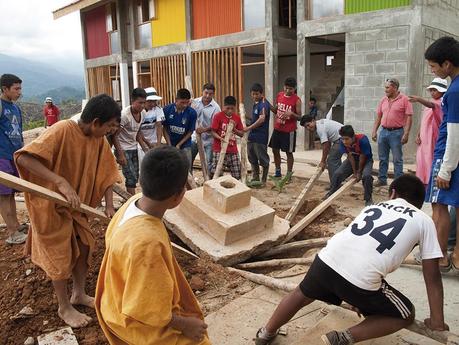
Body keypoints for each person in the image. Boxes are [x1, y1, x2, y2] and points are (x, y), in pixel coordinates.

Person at [255, 174, 447, 345]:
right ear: (420, 204)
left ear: (393, 193)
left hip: (325, 260)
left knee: (301, 294)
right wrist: (436, 321)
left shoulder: (374, 207)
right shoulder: (424, 220)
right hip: (360, 279)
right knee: (406, 314)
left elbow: (358, 248)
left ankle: (265, 333)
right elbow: (432, 275)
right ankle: (343, 338)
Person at [15, 94, 121, 328]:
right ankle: (64, 307)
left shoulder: (99, 141)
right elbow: (24, 159)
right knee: (59, 255)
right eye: (109, 126)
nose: (111, 131)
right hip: (51, 206)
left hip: (77, 207)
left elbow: (108, 173)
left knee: (84, 247)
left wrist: (110, 205)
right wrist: (60, 182)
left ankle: (79, 294)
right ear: (95, 122)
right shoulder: (62, 129)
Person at [95, 146, 210, 345]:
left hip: (114, 301)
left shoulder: (133, 201)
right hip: (133, 322)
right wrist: (185, 324)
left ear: (142, 180)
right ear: (178, 196)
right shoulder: (147, 243)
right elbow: (146, 310)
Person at [424, 36, 459, 271]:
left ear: (447, 64)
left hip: (447, 155)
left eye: (434, 67)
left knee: (439, 206)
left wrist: (445, 169)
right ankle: (457, 256)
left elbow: (455, 131)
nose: (434, 72)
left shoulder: (453, 92)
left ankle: (440, 258)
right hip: (453, 155)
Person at [0, 73, 27, 245]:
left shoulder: (15, 108)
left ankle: (15, 225)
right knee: (3, 195)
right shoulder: (1, 106)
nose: (19, 92)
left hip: (13, 156)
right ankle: (12, 232)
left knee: (10, 194)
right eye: (16, 89)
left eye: (20, 88)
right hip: (1, 156)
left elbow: (20, 133)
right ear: (5, 89)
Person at [372, 78, 413, 186]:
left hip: (397, 133)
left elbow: (409, 117)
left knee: (397, 159)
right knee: (383, 158)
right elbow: (379, 116)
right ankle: (382, 179)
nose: (385, 90)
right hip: (383, 132)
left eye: (387, 87)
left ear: (394, 87)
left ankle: (398, 183)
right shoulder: (383, 100)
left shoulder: (404, 99)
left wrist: (406, 133)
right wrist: (374, 131)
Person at [409, 78, 447, 186]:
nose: (433, 92)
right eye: (431, 90)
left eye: (435, 90)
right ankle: (422, 182)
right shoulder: (429, 104)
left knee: (429, 159)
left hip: (433, 137)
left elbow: (432, 105)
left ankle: (430, 183)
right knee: (421, 160)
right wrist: (418, 134)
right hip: (424, 138)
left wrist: (419, 99)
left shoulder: (441, 103)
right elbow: (424, 120)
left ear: (442, 91)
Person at [326, 125, 373, 206]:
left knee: (367, 176)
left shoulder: (363, 140)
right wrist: (354, 172)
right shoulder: (342, 142)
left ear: (353, 137)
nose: (344, 141)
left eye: (346, 139)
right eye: (342, 139)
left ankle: (368, 199)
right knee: (337, 174)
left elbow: (363, 156)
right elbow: (350, 156)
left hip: (366, 160)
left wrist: (359, 172)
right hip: (352, 160)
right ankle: (332, 192)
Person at [112, 88, 147, 195]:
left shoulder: (143, 113)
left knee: (136, 175)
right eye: (140, 103)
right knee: (130, 176)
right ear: (133, 101)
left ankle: (131, 198)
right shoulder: (125, 115)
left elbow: (138, 131)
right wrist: (120, 154)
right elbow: (114, 135)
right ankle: (130, 200)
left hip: (133, 147)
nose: (142, 105)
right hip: (122, 148)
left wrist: (145, 147)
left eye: (144, 103)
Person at [269, 77, 302, 179]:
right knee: (274, 150)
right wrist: (267, 105)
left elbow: (300, 117)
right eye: (286, 88)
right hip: (278, 128)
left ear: (294, 89)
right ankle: (278, 171)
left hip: (289, 131)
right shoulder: (279, 95)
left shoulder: (297, 100)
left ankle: (288, 174)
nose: (288, 91)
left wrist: (291, 113)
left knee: (289, 152)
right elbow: (275, 110)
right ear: (284, 86)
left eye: (290, 89)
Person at [210, 96, 244, 180]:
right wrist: (220, 138)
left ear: (235, 108)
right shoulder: (218, 116)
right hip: (219, 149)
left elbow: (242, 134)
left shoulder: (237, 118)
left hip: (233, 150)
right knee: (217, 173)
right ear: (223, 106)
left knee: (237, 174)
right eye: (227, 108)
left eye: (232, 108)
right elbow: (213, 131)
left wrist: (234, 129)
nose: (230, 110)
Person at [163, 88, 197, 172]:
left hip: (185, 144)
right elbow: (164, 128)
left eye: (187, 102)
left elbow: (190, 132)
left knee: (187, 168)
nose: (185, 105)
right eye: (182, 102)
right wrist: (169, 144)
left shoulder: (192, 113)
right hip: (170, 142)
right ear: (176, 100)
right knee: (170, 167)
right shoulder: (167, 109)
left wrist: (179, 145)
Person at [301, 115, 343, 183]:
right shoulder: (320, 124)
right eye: (306, 127)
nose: (308, 128)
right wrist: (325, 157)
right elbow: (328, 143)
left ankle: (335, 185)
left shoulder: (320, 128)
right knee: (333, 159)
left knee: (331, 160)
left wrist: (323, 161)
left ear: (313, 120)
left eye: (308, 125)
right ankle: (338, 181)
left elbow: (325, 145)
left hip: (342, 139)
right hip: (339, 139)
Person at [191, 83, 221, 174]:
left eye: (210, 94)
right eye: (206, 93)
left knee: (209, 162)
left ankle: (207, 181)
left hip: (209, 139)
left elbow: (216, 125)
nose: (207, 96)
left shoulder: (216, 108)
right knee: (189, 159)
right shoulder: (194, 102)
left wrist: (204, 130)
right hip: (194, 137)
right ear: (202, 91)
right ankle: (189, 180)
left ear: (213, 94)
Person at [246, 83, 270, 184]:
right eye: (253, 94)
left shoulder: (263, 104)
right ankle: (255, 178)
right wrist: (246, 117)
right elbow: (255, 119)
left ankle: (263, 180)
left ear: (261, 94)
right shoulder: (256, 104)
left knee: (263, 159)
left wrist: (248, 128)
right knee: (252, 157)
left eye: (257, 94)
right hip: (252, 136)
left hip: (260, 137)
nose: (255, 96)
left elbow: (261, 119)